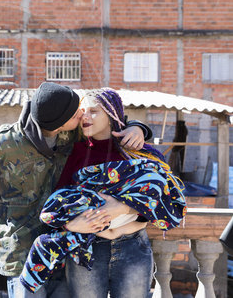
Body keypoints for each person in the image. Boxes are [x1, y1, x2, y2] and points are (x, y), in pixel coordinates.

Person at [0, 82, 152, 297]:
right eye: (76, 113)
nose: (82, 114)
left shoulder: (70, 133)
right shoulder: (4, 143)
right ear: (58, 123)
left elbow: (110, 121)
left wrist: (138, 127)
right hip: (22, 253)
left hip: (63, 247)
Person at [19, 88, 186, 296]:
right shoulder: (76, 150)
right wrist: (71, 224)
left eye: (94, 111)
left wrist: (123, 207)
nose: (85, 116)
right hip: (88, 250)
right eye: (83, 111)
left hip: (132, 247)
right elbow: (60, 200)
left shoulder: (137, 151)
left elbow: (161, 195)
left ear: (111, 114)